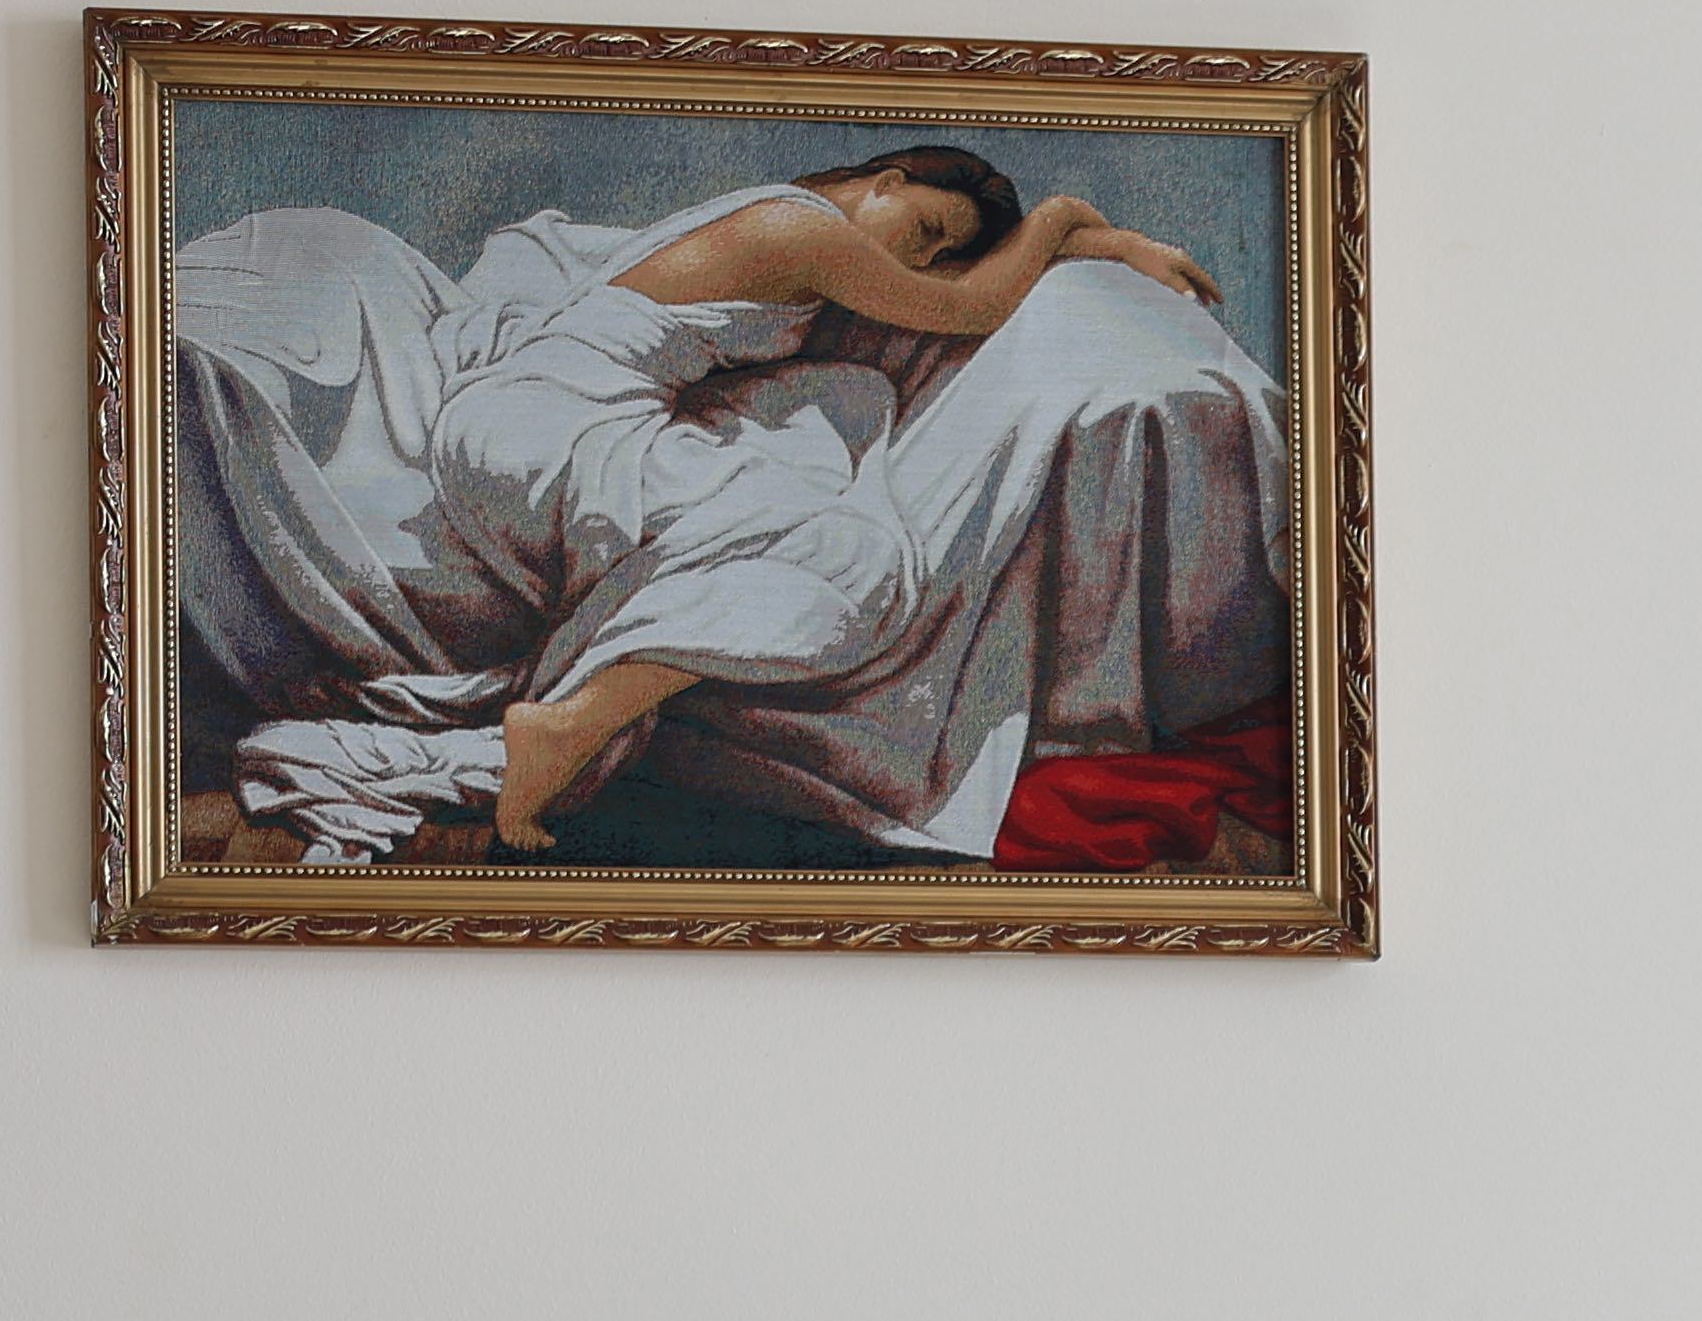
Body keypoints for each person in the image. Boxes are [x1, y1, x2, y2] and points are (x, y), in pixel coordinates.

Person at [427, 149, 1221, 849]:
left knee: (831, 423)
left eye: (942, 247)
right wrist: (1062, 213)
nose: (928, 254)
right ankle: (568, 723)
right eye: (928, 227)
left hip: (529, 424)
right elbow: (970, 307)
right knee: (852, 551)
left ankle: (574, 719)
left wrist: (1112, 246)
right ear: (887, 182)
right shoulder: (803, 232)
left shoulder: (794, 223)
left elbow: (964, 283)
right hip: (551, 431)